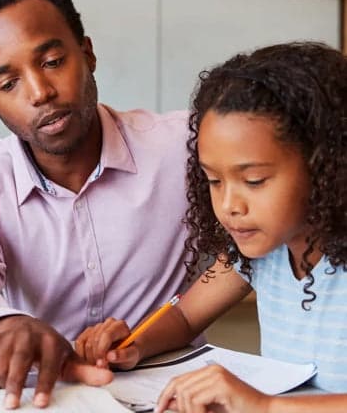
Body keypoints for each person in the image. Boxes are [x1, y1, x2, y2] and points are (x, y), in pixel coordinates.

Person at [0, 0, 193, 408]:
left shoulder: (181, 148)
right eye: (8, 84)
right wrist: (3, 325)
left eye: (51, 61)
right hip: (46, 397)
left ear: (87, 54)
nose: (40, 92)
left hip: (177, 397)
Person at [75, 42, 347, 413]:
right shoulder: (260, 252)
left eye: (254, 180)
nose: (230, 206)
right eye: (214, 181)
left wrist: (264, 406)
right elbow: (185, 316)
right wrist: (137, 344)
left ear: (325, 165)